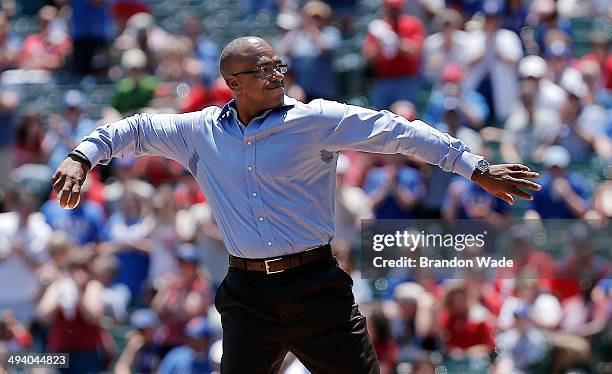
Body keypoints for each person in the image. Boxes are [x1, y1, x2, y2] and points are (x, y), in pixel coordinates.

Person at [51, 36, 540, 373]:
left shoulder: (314, 119)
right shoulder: (197, 131)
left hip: (316, 286)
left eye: (278, 64)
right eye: (262, 69)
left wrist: (476, 168)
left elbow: (398, 132)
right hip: (248, 293)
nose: (276, 73)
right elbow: (130, 129)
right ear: (233, 83)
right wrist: (81, 156)